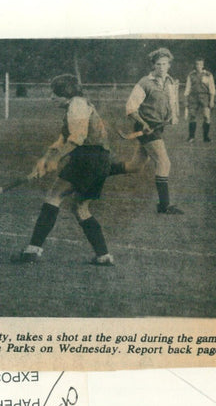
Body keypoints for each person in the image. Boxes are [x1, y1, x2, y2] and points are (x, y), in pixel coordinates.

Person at [14, 74, 116, 266]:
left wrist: (55, 160)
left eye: (55, 93)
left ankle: (33, 250)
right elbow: (61, 139)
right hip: (101, 160)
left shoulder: (77, 105)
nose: (51, 97)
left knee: (53, 197)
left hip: (89, 157)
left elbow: (77, 138)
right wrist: (44, 159)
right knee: (81, 208)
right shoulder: (74, 106)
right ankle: (103, 256)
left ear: (66, 94)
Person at [112, 47, 184, 215]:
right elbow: (130, 108)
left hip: (158, 127)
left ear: (169, 65)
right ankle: (164, 205)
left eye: (164, 64)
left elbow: (172, 102)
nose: (161, 67)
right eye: (158, 64)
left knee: (135, 166)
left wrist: (173, 116)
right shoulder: (144, 83)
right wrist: (143, 123)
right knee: (164, 162)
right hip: (146, 127)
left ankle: (102, 170)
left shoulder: (170, 81)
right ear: (153, 65)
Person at [184, 57, 216, 143]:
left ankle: (206, 137)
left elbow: (212, 89)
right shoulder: (191, 75)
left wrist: (212, 100)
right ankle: (191, 137)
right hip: (193, 97)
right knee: (192, 116)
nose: (198, 66)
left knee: (206, 116)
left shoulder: (208, 75)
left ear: (203, 65)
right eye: (197, 64)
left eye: (200, 64)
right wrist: (186, 100)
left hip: (204, 97)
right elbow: (187, 88)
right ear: (195, 65)